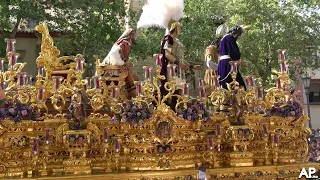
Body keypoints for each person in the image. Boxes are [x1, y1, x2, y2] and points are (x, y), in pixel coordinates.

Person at [99, 28, 139, 99]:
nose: (135, 37)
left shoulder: (125, 43)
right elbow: (115, 57)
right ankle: (130, 94)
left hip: (114, 69)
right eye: (134, 35)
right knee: (130, 77)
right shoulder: (124, 44)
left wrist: (125, 63)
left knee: (132, 76)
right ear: (130, 35)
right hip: (112, 71)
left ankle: (131, 94)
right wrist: (124, 63)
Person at [160, 21, 188, 110]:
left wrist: (191, 66)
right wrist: (179, 64)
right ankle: (173, 112)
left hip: (179, 70)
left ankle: (179, 111)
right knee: (173, 91)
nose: (181, 29)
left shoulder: (177, 41)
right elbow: (167, 54)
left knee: (180, 92)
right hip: (172, 69)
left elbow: (181, 58)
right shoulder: (169, 39)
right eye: (180, 27)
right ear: (175, 28)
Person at [217, 26, 246, 90]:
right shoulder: (229, 37)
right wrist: (238, 60)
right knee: (239, 86)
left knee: (224, 86)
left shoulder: (223, 39)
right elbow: (234, 52)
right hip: (229, 64)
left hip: (222, 64)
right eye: (238, 35)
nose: (238, 37)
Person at [204, 24, 228, 88]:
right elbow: (209, 63)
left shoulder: (224, 51)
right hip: (212, 77)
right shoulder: (210, 49)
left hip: (222, 77)